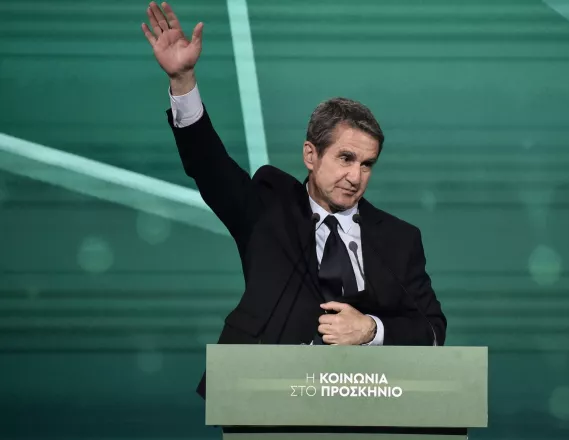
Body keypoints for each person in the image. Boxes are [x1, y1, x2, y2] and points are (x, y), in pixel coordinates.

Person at [142, 1, 447, 399]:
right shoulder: (267, 211)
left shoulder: (399, 239)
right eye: (345, 158)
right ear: (310, 155)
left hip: (366, 401)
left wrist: (370, 329)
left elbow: (432, 331)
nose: (356, 176)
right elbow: (208, 165)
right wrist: (183, 80)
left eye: (367, 164)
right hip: (264, 394)